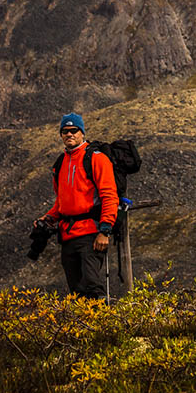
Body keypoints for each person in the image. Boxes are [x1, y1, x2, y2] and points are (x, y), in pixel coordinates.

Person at [34, 113, 118, 299]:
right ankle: (85, 326)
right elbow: (61, 201)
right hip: (68, 236)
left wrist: (105, 231)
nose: (69, 134)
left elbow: (109, 196)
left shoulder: (96, 158)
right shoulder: (61, 162)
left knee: (92, 288)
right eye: (65, 131)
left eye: (74, 130)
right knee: (77, 293)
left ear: (82, 133)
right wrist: (48, 217)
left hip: (91, 235)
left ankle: (104, 326)